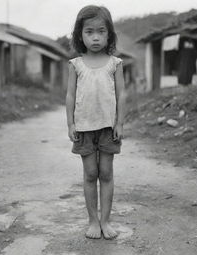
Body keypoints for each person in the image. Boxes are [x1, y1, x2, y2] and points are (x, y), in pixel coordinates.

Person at [66, 5, 126, 239]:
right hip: (84, 128)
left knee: (106, 173)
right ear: (80, 35)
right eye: (89, 31)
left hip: (108, 128)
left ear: (109, 34)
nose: (96, 37)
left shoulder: (115, 64)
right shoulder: (76, 64)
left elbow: (121, 94)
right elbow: (70, 95)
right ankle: (92, 221)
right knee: (90, 173)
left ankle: (106, 221)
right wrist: (70, 123)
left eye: (101, 31)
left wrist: (119, 123)